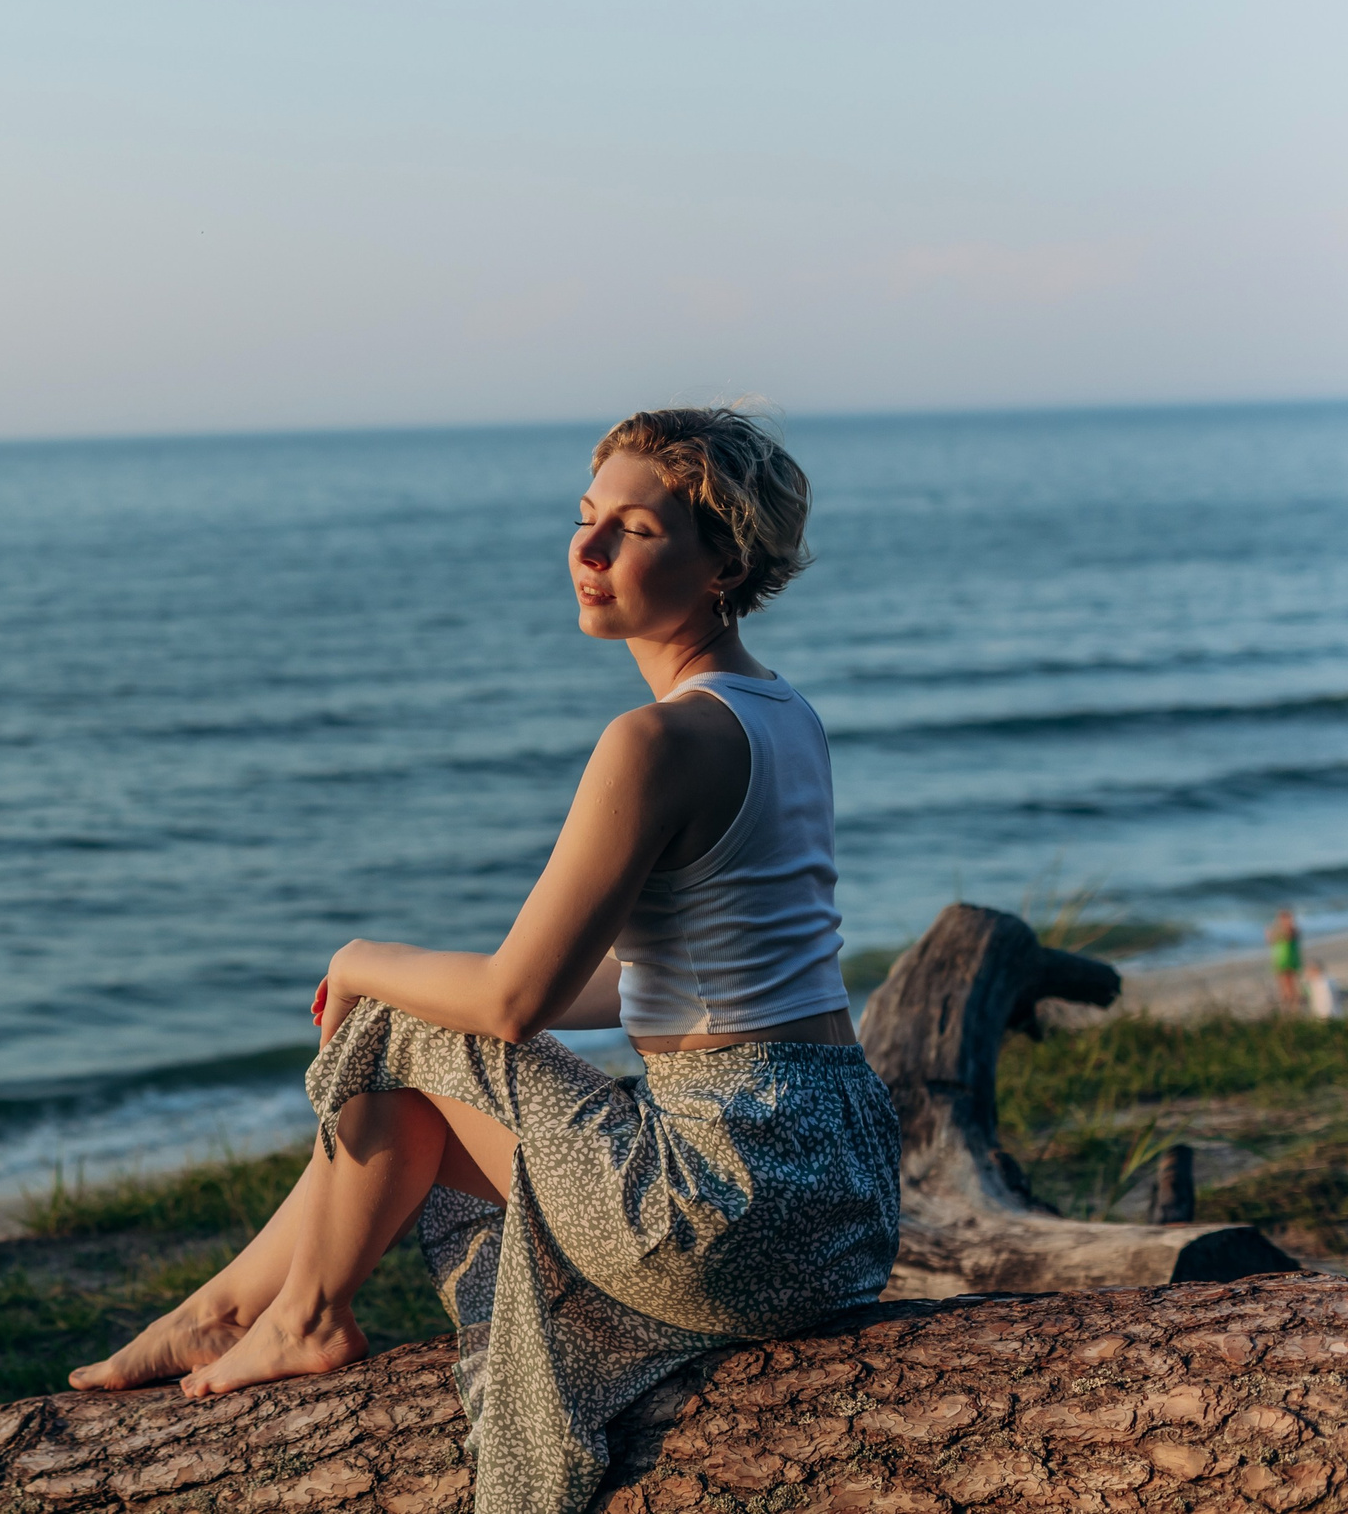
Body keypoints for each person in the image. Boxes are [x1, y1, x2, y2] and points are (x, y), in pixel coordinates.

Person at [70, 407, 901, 1514]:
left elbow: (513, 1004)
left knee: (400, 1026)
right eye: (584, 518)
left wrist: (359, 957)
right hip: (841, 1198)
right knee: (426, 1048)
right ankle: (232, 1304)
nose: (589, 551)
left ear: (723, 562)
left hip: (725, 1210)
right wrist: (439, 992)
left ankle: (303, 1315)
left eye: (636, 529)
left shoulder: (652, 743)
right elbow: (682, 982)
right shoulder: (781, 714)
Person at [1270, 907, 1304, 1015]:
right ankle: (1288, 1006)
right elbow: (1271, 940)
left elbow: (1288, 936)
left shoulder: (1293, 930)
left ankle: (1293, 1006)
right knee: (1283, 983)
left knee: (1290, 983)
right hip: (1281, 959)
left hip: (1290, 959)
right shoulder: (1278, 930)